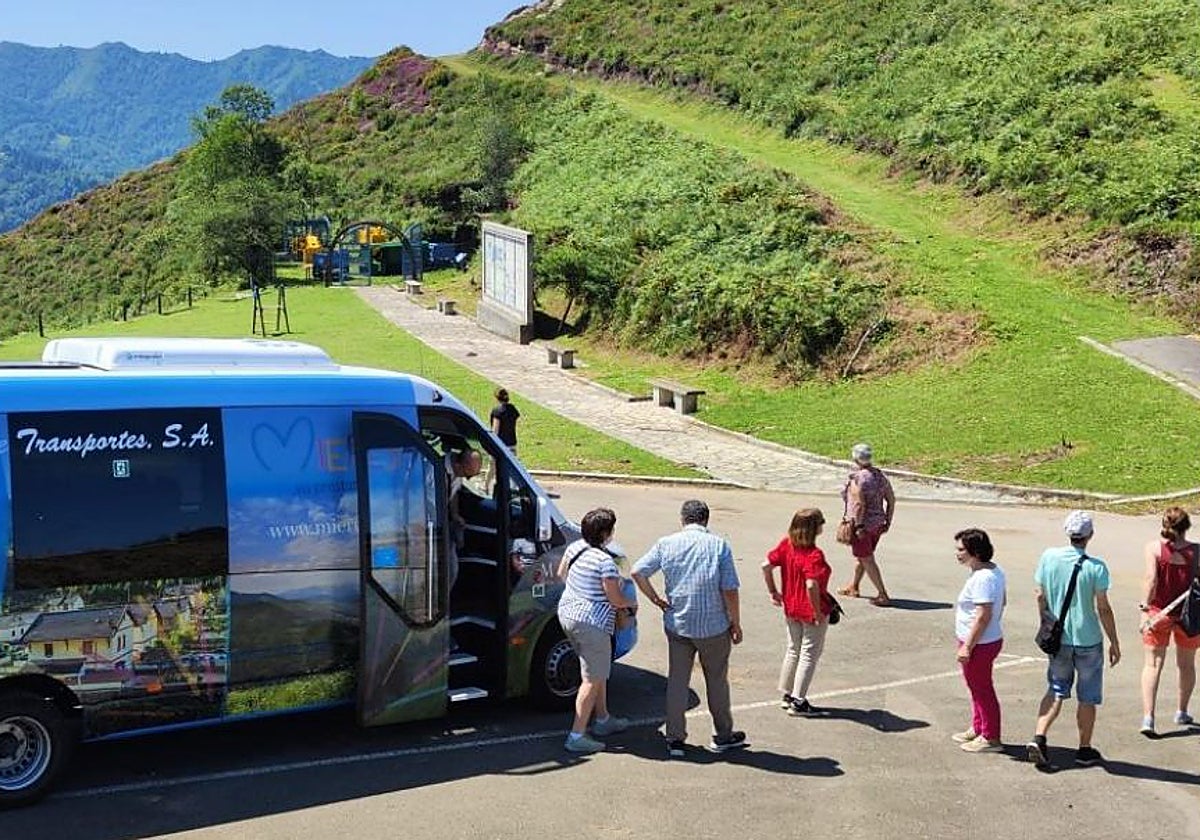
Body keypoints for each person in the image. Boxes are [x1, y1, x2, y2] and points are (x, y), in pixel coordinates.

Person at [632, 499, 747, 757]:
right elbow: (729, 588)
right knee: (716, 680)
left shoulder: (666, 544)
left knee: (677, 681)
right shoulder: (719, 546)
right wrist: (735, 621)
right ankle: (723, 734)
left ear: (682, 520)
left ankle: (675, 738)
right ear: (706, 520)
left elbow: (638, 572)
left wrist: (656, 599)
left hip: (678, 624)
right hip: (713, 626)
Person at [1026, 510, 1120, 769]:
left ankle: (1040, 736)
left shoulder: (1049, 557)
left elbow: (1039, 595)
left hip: (1059, 638)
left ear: (1068, 533)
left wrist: (1045, 622)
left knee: (1056, 688)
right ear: (1090, 535)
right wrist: (1114, 641)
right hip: (1088, 638)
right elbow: (1103, 608)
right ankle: (1084, 748)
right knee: (1087, 696)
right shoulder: (1096, 567)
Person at [556, 507, 637, 755]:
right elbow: (615, 599)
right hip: (592, 624)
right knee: (591, 680)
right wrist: (630, 603)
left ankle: (603, 719)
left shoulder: (575, 548)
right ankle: (577, 735)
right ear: (605, 533)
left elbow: (561, 575)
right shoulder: (605, 562)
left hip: (568, 615)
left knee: (597, 670)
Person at [762, 508, 832, 717]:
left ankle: (787, 693)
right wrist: (817, 610)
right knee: (809, 654)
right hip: (809, 610)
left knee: (793, 649)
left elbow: (766, 565)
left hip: (791, 606)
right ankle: (799, 701)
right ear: (814, 528)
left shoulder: (786, 545)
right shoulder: (814, 555)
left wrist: (773, 591)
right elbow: (812, 585)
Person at [1137, 507, 1200, 736]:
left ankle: (1148, 718)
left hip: (1158, 613)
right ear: (1187, 526)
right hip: (1188, 615)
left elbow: (1151, 580)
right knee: (1186, 665)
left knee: (1152, 665)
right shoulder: (1197, 552)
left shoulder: (1154, 549)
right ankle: (1181, 711)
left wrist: (1145, 610)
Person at [951, 528, 1007, 754]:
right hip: (982, 641)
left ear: (975, 551)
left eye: (961, 549)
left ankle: (991, 736)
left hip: (979, 644)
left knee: (982, 689)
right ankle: (978, 727)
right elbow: (1003, 603)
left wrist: (968, 646)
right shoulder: (990, 571)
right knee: (975, 687)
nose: (957, 553)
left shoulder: (983, 578)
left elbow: (983, 615)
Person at [836, 443, 895, 607]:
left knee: (866, 558)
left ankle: (882, 594)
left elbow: (859, 504)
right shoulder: (879, 476)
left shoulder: (857, 479)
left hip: (863, 526)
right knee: (862, 557)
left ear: (855, 458)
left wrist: (859, 526)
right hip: (877, 524)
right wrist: (888, 520)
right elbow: (891, 499)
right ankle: (853, 586)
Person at [446, 447, 482, 591]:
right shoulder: (436, 471)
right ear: (458, 465)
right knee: (448, 569)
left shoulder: (457, 473)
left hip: (447, 523)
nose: (468, 479)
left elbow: (454, 494)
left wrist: (455, 515)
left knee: (452, 569)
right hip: (433, 528)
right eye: (468, 476)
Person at [489, 388, 521, 455]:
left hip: (501, 445)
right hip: (512, 443)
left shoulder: (497, 411)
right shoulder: (513, 409)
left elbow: (495, 430)